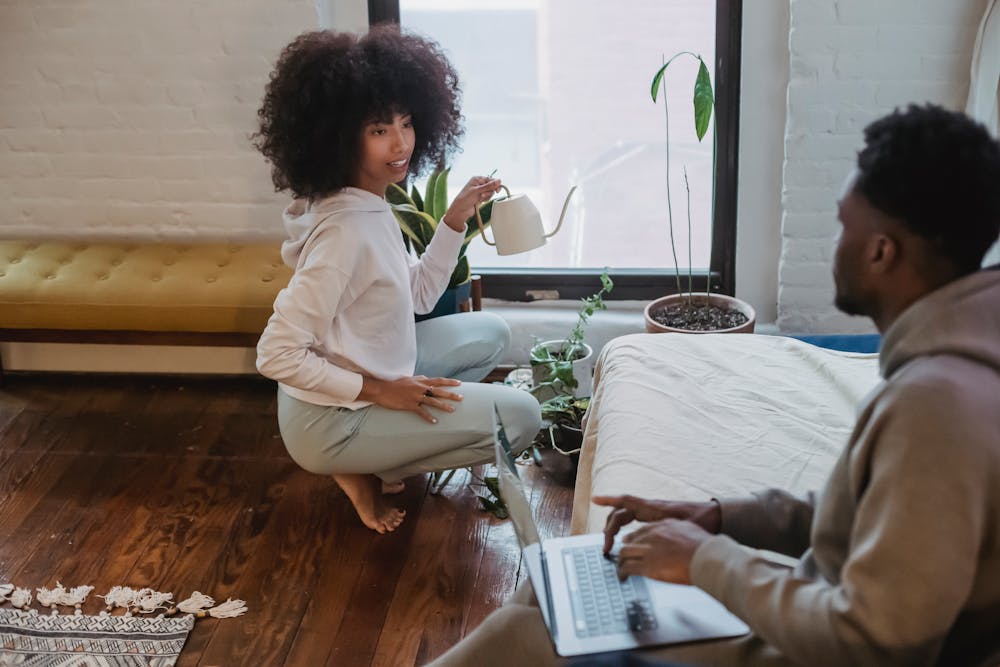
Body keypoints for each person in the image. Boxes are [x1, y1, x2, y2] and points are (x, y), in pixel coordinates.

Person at [427, 105, 1000, 666]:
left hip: (823, 640)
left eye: (842, 226)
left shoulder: (937, 406)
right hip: (822, 604)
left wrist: (707, 561)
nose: (834, 245)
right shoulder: (953, 364)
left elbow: (873, 642)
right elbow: (872, 512)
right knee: (560, 584)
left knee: (537, 632)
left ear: (882, 252)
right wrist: (719, 518)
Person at [252, 27, 542, 534]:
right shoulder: (347, 233)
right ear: (339, 136)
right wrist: (381, 392)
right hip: (329, 420)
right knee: (523, 417)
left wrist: (453, 220)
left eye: (406, 123)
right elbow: (275, 353)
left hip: (365, 371)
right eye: (379, 130)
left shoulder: (367, 200)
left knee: (490, 333)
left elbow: (418, 295)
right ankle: (361, 464)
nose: (402, 142)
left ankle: (385, 452)